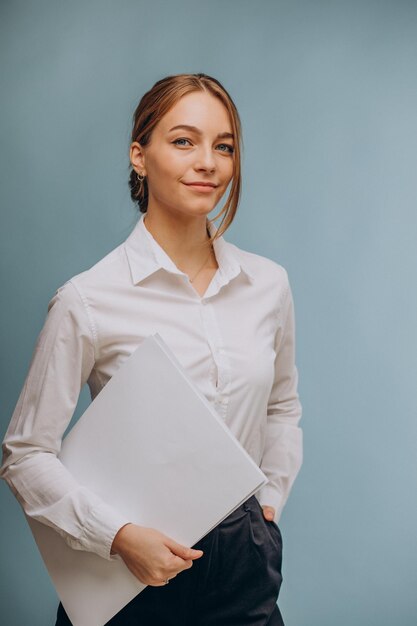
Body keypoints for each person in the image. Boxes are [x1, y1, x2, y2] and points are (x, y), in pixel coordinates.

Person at [0, 72, 303, 625]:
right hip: (126, 576)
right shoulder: (88, 299)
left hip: (242, 567)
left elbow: (282, 408)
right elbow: (24, 455)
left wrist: (267, 508)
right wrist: (116, 537)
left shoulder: (269, 285)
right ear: (139, 156)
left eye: (224, 146)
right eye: (184, 140)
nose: (208, 161)